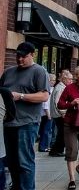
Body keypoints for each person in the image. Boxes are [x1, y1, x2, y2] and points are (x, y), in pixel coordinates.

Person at [0, 41, 50, 190]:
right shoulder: (9, 72)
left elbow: (44, 96)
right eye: (18, 56)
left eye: (24, 56)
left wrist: (20, 96)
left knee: (25, 162)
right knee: (12, 162)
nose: (20, 59)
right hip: (8, 122)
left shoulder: (39, 71)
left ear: (32, 55)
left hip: (27, 123)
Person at [49, 70, 73, 157]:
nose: (71, 81)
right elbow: (58, 102)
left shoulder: (61, 87)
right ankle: (56, 150)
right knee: (62, 133)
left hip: (58, 114)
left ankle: (57, 150)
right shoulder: (60, 88)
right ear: (64, 79)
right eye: (70, 79)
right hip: (59, 115)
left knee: (62, 133)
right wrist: (63, 113)